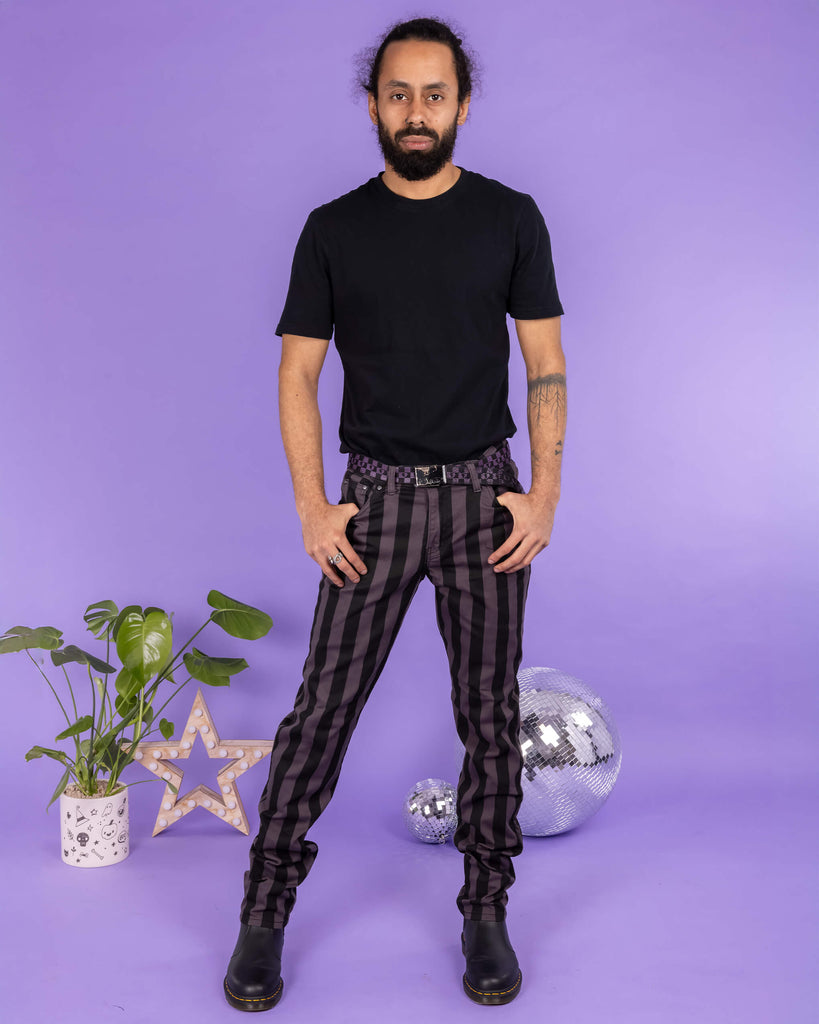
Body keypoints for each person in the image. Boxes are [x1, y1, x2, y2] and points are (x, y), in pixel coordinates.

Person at [223, 15, 566, 1011]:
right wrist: (310, 505)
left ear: (463, 103)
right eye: (399, 94)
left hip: (485, 502)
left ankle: (486, 911)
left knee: (489, 717)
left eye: (435, 94)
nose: (417, 112)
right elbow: (297, 371)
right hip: (371, 504)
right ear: (373, 103)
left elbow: (545, 363)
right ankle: (263, 915)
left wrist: (543, 493)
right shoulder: (335, 228)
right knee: (322, 711)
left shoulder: (511, 217)